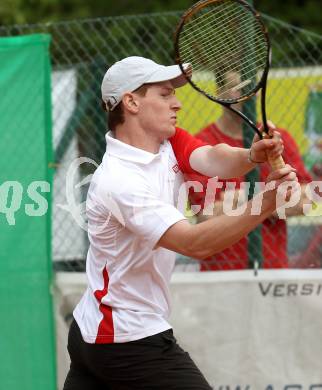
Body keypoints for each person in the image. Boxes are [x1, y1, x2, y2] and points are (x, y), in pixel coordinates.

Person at [63, 56, 297, 390]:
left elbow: (214, 158)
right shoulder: (119, 181)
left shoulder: (167, 144)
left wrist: (250, 156)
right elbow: (195, 243)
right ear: (131, 102)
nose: (178, 103)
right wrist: (267, 202)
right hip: (126, 340)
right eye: (165, 94)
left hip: (97, 332)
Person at [187, 71, 312, 270]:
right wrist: (271, 198)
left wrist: (236, 199)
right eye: (239, 88)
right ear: (220, 91)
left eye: (250, 86)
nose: (248, 93)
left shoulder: (278, 139)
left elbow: (305, 201)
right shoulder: (202, 146)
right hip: (221, 271)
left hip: (272, 269)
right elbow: (206, 215)